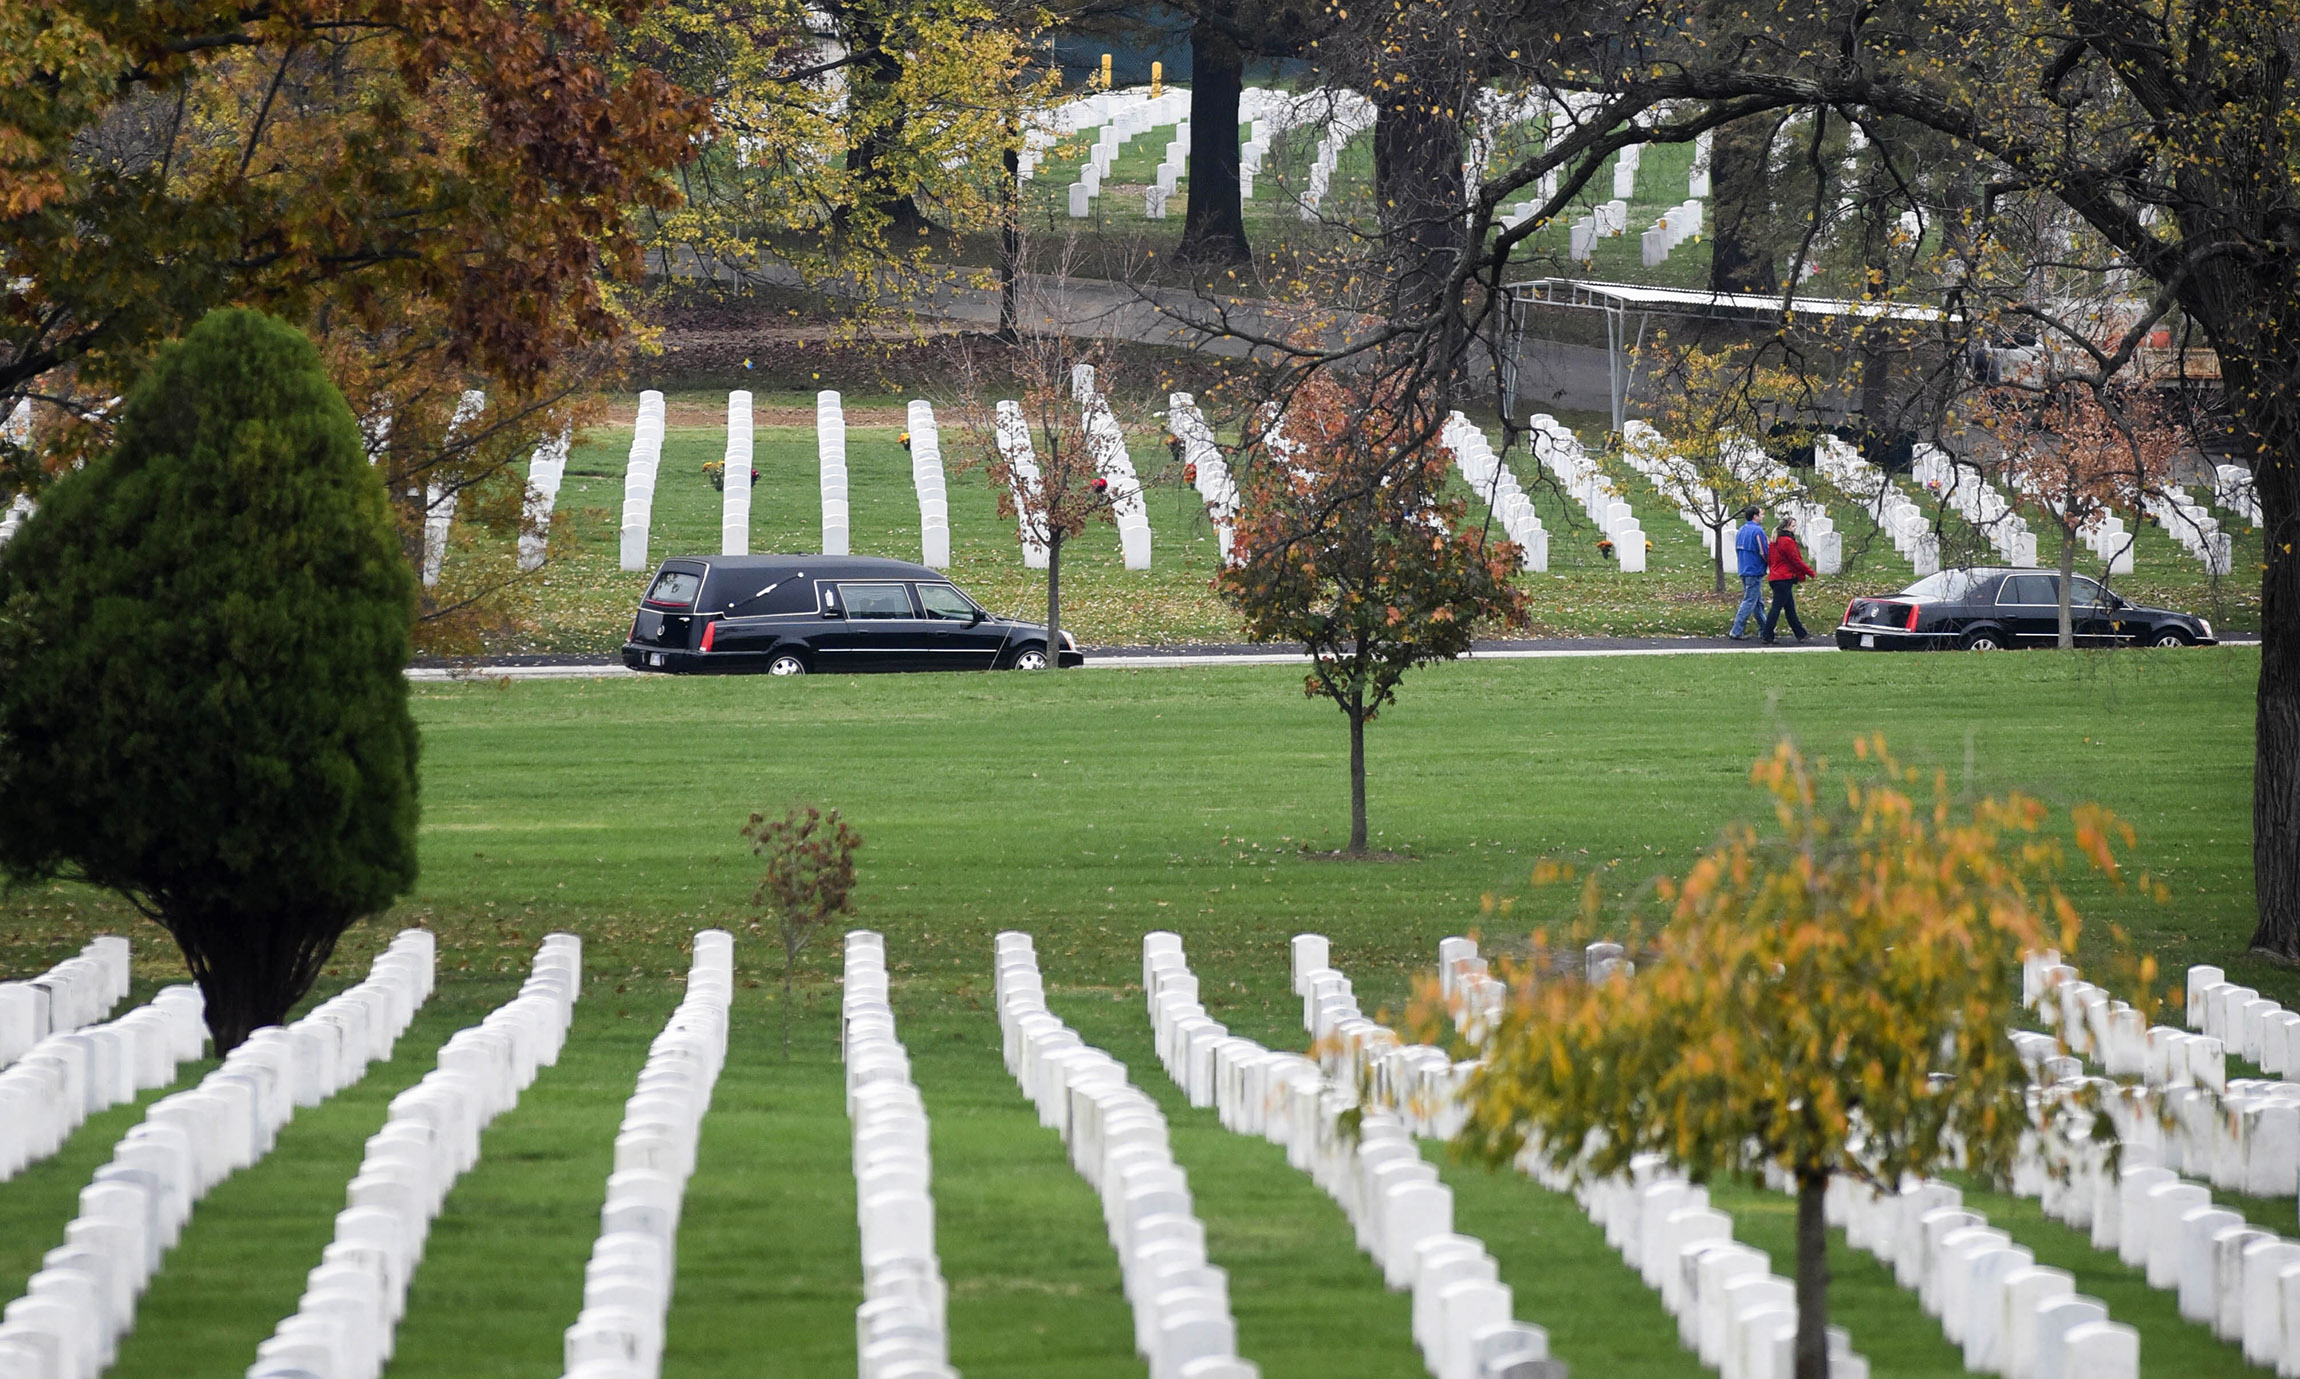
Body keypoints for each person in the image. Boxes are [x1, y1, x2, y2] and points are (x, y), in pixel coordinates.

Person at [1760, 514, 1818, 643]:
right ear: (1787, 527)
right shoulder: (1787, 541)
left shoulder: (1774, 542)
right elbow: (1796, 560)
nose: (1794, 528)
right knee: (1776, 608)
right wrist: (1810, 572)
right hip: (1784, 578)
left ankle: (1801, 633)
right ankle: (1767, 635)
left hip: (1775, 577)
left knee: (1790, 608)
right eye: (1793, 526)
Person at [1726, 505, 1768, 639]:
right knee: (1749, 601)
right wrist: (1770, 563)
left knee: (1757, 602)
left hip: (1744, 568)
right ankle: (1736, 630)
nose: (1763, 516)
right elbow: (1763, 551)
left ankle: (1766, 629)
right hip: (1754, 569)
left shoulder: (1742, 530)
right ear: (1755, 517)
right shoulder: (1758, 531)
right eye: (1761, 514)